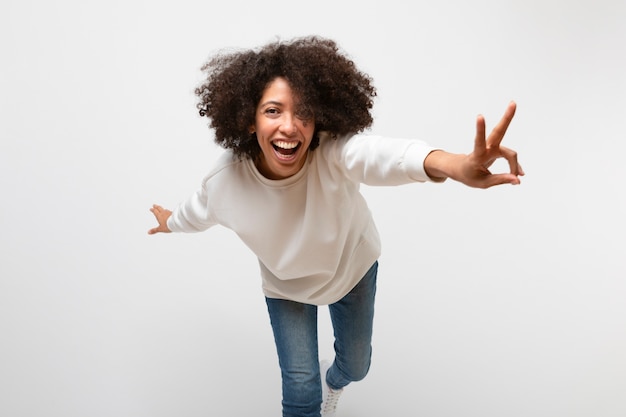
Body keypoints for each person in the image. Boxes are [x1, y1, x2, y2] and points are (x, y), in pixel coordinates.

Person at [148, 35, 524, 417]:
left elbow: (383, 155)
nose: (290, 127)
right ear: (248, 120)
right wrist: (169, 223)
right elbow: (194, 212)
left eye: (303, 113)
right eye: (273, 111)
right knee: (299, 391)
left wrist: (455, 165)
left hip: (351, 267)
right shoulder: (225, 182)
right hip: (286, 286)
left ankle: (336, 382)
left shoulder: (332, 152)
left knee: (357, 366)